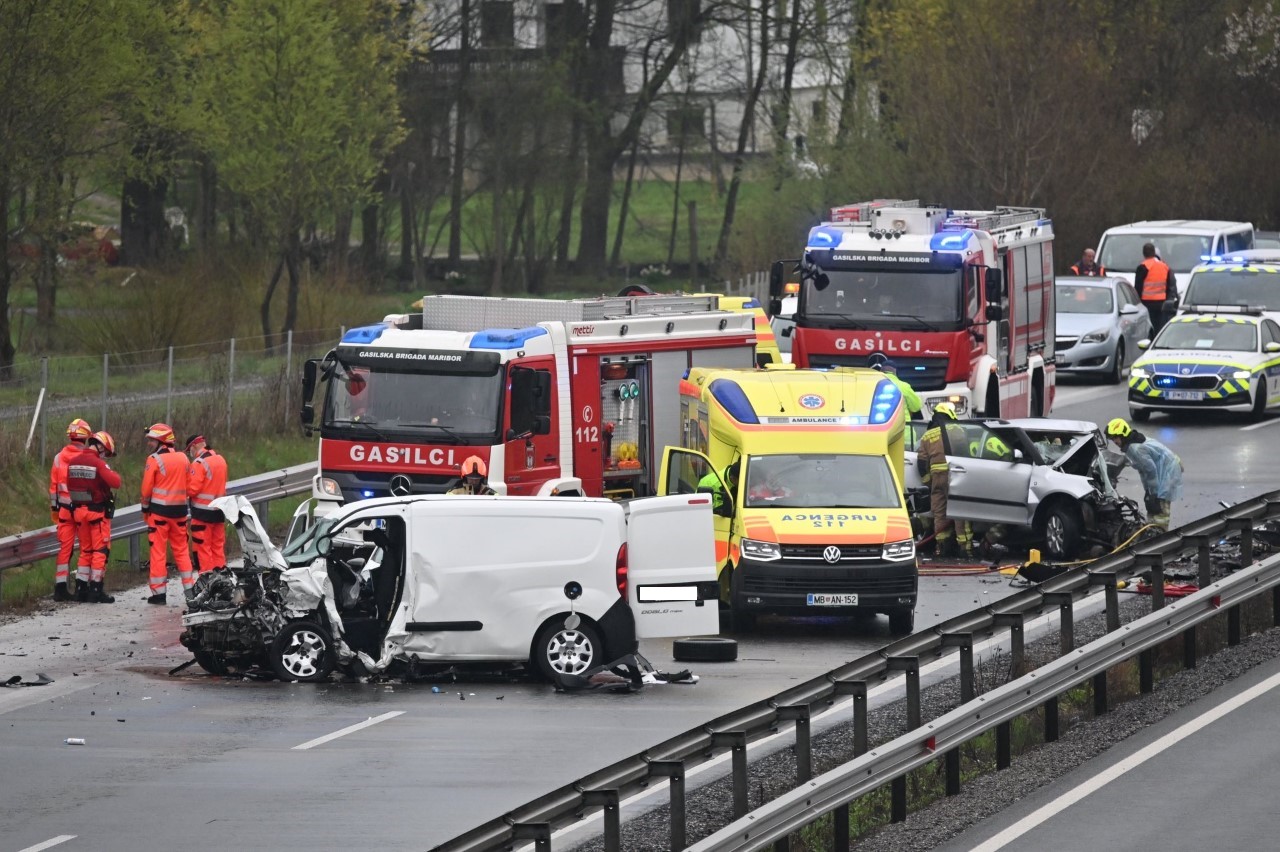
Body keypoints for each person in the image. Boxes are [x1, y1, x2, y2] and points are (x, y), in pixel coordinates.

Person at [141, 422, 194, 604]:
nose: (149, 444)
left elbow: (146, 490)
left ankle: (159, 594)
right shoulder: (184, 458)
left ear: (160, 441)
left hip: (159, 514)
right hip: (179, 513)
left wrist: (145, 508)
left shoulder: (154, 460)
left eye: (151, 440)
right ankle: (190, 591)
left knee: (158, 552)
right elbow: (189, 485)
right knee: (182, 551)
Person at [65, 431, 120, 603]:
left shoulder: (72, 462)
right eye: (106, 453)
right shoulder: (97, 463)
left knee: (85, 551)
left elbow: (69, 485)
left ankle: (81, 588)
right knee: (100, 551)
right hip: (96, 514)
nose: (105, 456)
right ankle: (96, 589)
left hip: (79, 514)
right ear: (101, 446)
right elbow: (116, 482)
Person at [1106, 418, 1183, 531]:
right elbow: (1143, 470)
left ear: (1123, 435)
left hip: (1168, 471)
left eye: (1115, 438)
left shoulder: (1136, 449)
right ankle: (1152, 528)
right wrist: (1148, 491)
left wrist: (1154, 494)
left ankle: (1160, 536)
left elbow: (1150, 472)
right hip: (1167, 465)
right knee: (1152, 505)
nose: (1115, 442)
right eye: (1112, 439)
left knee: (1160, 507)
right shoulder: (1133, 442)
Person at [917, 402, 973, 558]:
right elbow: (966, 454)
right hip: (954, 476)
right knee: (959, 511)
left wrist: (929, 482)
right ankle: (965, 548)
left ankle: (943, 547)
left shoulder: (927, 435)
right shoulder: (957, 430)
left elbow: (921, 462)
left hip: (937, 479)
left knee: (939, 513)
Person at [50, 418, 93, 601]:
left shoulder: (59, 457)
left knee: (65, 549)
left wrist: (55, 509)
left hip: (64, 511)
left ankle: (60, 588)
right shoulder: (87, 458)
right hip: (83, 510)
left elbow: (53, 487)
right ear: (85, 438)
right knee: (86, 548)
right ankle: (81, 587)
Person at [185, 434, 229, 573]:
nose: (190, 453)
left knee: (203, 548)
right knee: (218, 547)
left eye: (189, 450)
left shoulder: (199, 464)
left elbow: (192, 489)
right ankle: (222, 578)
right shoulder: (221, 460)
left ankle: (208, 580)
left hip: (202, 514)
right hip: (219, 511)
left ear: (193, 446)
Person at [1134, 243, 1176, 335]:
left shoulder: (1143, 267)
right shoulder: (1164, 266)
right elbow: (1170, 285)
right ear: (1154, 252)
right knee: (1160, 327)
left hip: (1146, 303)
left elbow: (1138, 287)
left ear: (1144, 253)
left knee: (1149, 327)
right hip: (1162, 302)